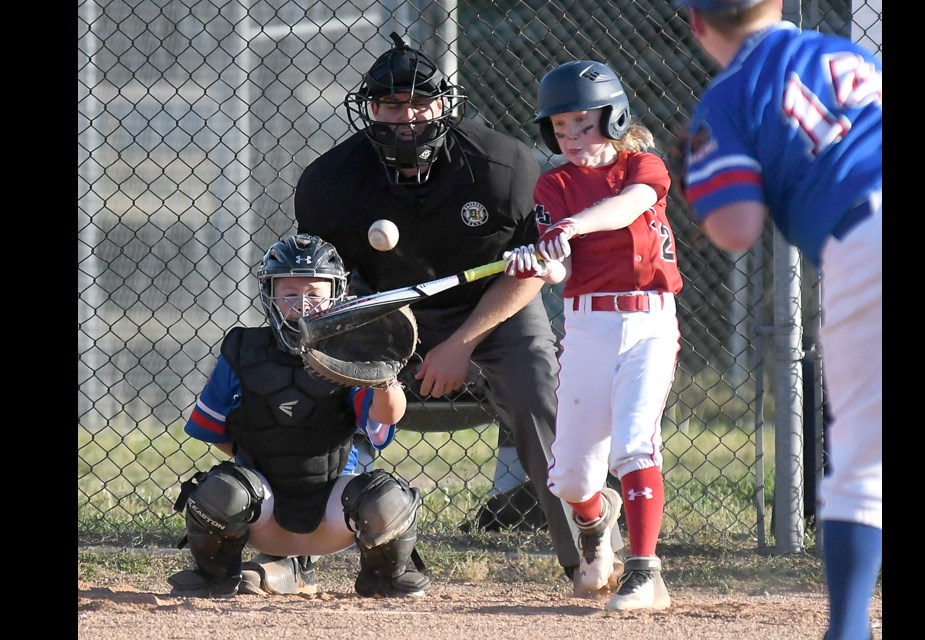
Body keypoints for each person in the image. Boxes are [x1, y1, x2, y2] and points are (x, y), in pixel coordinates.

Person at [294, 31, 592, 583]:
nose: (405, 117)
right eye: (390, 104)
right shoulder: (330, 182)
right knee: (303, 385)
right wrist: (367, 338)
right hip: (380, 311)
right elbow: (327, 286)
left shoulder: (502, 166)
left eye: (418, 102)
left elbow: (526, 273)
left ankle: (586, 557)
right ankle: (289, 552)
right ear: (369, 109)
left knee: (534, 390)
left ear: (443, 104)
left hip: (490, 306)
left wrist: (460, 346)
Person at [671, 1, 881, 638]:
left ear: (697, 24)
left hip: (867, 241)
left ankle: (846, 630)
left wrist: (695, 180)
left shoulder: (732, 94)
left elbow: (738, 228)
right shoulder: (850, 55)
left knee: (862, 461)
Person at [502, 60, 681, 610]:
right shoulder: (552, 184)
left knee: (633, 443)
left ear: (614, 117)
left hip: (649, 321)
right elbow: (557, 271)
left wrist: (572, 227)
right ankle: (596, 522)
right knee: (573, 480)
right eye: (560, 128)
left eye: (583, 124)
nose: (572, 138)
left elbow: (630, 206)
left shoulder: (641, 167)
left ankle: (645, 573)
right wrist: (537, 260)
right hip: (586, 325)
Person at [167, 234, 430, 599]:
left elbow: (385, 422)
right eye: (289, 294)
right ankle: (217, 575)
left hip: (336, 517)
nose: (303, 305)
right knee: (220, 490)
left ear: (337, 295)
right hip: (262, 514)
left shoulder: (351, 355)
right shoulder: (243, 350)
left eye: (315, 294)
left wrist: (385, 379)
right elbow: (214, 429)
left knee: (386, 499)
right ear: (269, 296)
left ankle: (384, 576)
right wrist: (259, 458)